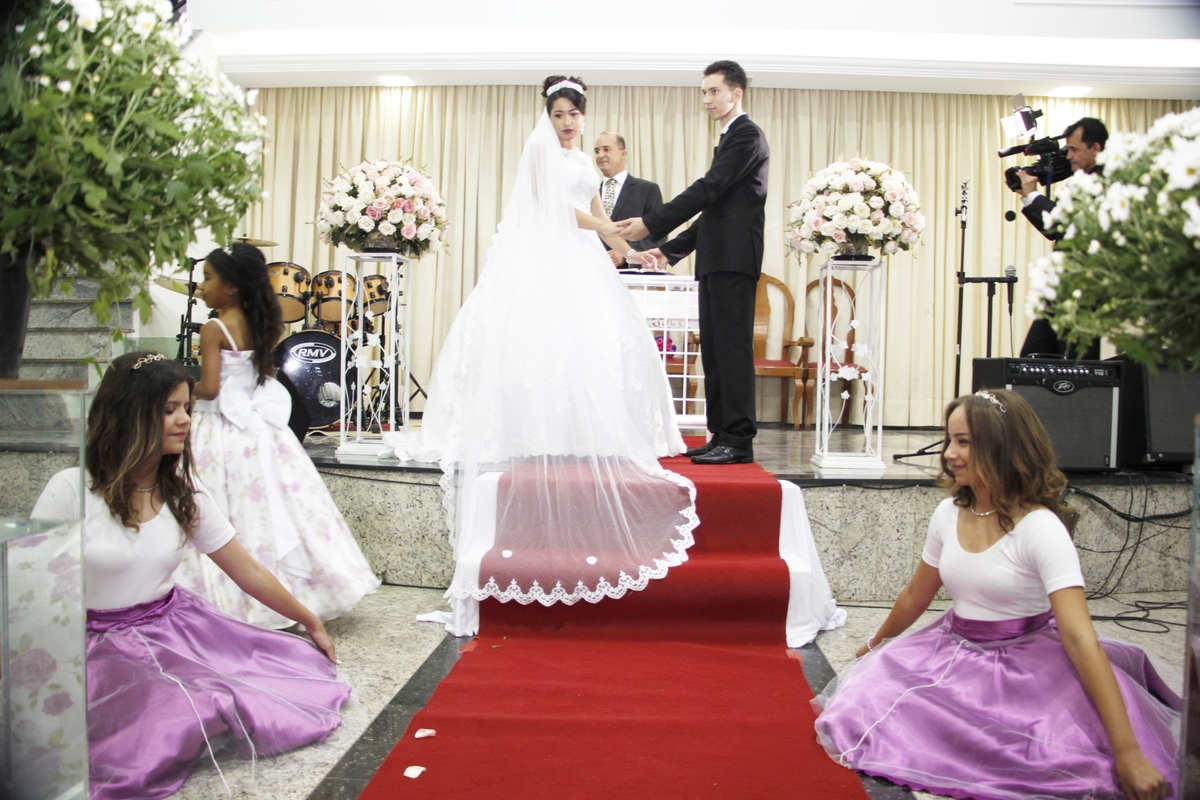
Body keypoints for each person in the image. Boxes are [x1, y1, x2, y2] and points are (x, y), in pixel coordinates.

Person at [382, 76, 698, 636]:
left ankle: (583, 431)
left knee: (598, 344)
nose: (568, 122)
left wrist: (636, 252)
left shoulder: (582, 159)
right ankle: (538, 430)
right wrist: (606, 227)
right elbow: (556, 209)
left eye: (574, 113)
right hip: (547, 261)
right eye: (559, 114)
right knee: (545, 345)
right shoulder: (537, 153)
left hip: (586, 261)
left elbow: (596, 207)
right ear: (547, 116)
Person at [812, 389, 1178, 800]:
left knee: (1049, 758)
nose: (949, 453)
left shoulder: (1040, 528)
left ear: (1003, 445)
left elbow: (1079, 637)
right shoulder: (948, 512)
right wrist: (873, 644)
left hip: (1026, 661)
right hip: (950, 646)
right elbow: (917, 592)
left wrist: (1128, 753)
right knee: (865, 704)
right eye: (949, 439)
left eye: (964, 442)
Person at [31, 353, 350, 800]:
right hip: (90, 644)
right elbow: (31, 584)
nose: (184, 420)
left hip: (172, 628)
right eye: (168, 410)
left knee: (223, 695)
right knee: (143, 735)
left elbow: (247, 569)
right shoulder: (70, 488)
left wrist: (309, 619)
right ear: (129, 415)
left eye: (186, 408)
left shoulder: (184, 491)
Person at [173, 243, 379, 628]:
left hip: (221, 430)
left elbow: (212, 389)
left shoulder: (215, 329)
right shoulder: (264, 325)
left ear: (231, 286)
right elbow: (261, 378)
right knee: (277, 506)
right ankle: (292, 592)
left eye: (208, 278)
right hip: (260, 431)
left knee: (219, 508)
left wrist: (182, 383)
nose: (202, 287)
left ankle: (224, 599)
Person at [616, 60, 769, 466]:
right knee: (716, 351)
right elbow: (714, 211)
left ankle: (738, 441)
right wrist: (669, 251)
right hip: (718, 259)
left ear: (737, 93)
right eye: (703, 92)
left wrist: (652, 221)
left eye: (714, 91)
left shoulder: (746, 135)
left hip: (735, 260)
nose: (707, 99)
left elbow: (709, 189)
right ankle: (721, 434)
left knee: (731, 350)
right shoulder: (730, 138)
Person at [1012, 117, 1107, 359]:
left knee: (1078, 364)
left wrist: (1033, 196)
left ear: (1096, 147)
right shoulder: (1082, 179)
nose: (1069, 156)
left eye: (1074, 149)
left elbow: (1066, 225)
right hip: (1061, 286)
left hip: (1085, 287)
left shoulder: (1105, 181)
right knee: (1035, 357)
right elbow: (1055, 229)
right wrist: (1028, 196)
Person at [593, 131, 663, 266]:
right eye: (597, 151)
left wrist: (625, 254)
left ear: (623, 153)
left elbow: (657, 235)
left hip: (632, 275)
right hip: (592, 270)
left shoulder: (647, 190)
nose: (600, 155)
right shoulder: (590, 192)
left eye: (606, 149)